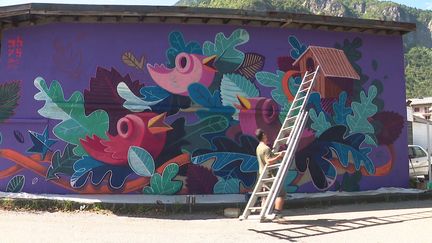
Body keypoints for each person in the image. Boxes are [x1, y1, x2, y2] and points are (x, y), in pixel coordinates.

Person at [255, 128, 286, 219]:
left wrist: (276, 155)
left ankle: (263, 213)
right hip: (270, 174)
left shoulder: (258, 147)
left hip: (262, 174)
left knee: (266, 194)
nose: (267, 136)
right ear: (263, 135)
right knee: (281, 193)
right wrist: (279, 156)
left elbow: (267, 157)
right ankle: (277, 213)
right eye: (265, 135)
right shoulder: (266, 148)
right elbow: (268, 161)